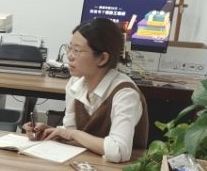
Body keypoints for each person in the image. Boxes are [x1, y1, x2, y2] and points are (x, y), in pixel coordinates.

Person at [24, 17, 148, 162]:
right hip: (87, 164)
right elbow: (71, 131)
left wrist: (73, 134)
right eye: (70, 48)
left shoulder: (125, 94)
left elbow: (119, 151)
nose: (70, 56)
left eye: (77, 50)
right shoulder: (75, 83)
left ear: (102, 58)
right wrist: (52, 131)